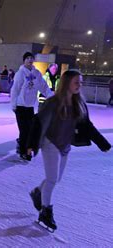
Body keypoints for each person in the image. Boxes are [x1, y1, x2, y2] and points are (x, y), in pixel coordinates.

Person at [26, 70, 111, 232]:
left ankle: (38, 192)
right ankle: (46, 212)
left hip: (65, 145)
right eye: (76, 82)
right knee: (51, 180)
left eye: (81, 82)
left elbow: (87, 125)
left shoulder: (79, 103)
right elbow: (38, 123)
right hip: (50, 143)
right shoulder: (53, 103)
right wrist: (31, 145)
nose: (80, 85)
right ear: (66, 84)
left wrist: (102, 143)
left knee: (55, 179)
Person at [10, 52, 53, 161]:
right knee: (24, 130)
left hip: (30, 107)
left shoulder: (37, 73)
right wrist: (13, 105)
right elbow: (15, 90)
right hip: (20, 106)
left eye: (31, 58)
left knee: (29, 130)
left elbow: (43, 86)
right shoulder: (20, 74)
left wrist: (51, 96)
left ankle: (21, 144)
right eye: (27, 58)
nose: (30, 60)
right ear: (24, 60)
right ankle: (24, 152)